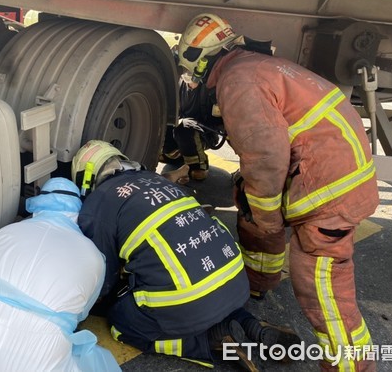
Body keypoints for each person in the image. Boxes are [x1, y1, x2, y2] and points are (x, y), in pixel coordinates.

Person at [177, 13, 379, 371]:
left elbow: (265, 159)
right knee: (249, 197)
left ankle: (352, 364)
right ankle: (258, 282)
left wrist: (268, 217)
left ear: (201, 60)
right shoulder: (254, 66)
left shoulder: (237, 83)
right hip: (334, 168)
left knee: (320, 283)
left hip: (330, 191)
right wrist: (258, 210)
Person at [72, 140, 300, 370]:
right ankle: (247, 323)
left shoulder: (99, 202)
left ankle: (207, 343)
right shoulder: (158, 181)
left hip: (188, 301)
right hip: (237, 282)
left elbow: (102, 275)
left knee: (121, 323)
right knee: (195, 286)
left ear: (86, 177)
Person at [0, 177, 120, 372]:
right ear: (77, 212)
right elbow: (82, 312)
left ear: (38, 205)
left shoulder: (4, 233)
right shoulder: (92, 255)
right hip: (38, 350)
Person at [160, 61, 225, 181]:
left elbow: (219, 120)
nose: (187, 74)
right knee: (164, 124)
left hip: (204, 133)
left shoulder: (210, 89)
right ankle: (177, 156)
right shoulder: (180, 85)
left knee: (184, 127)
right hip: (181, 129)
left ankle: (198, 165)